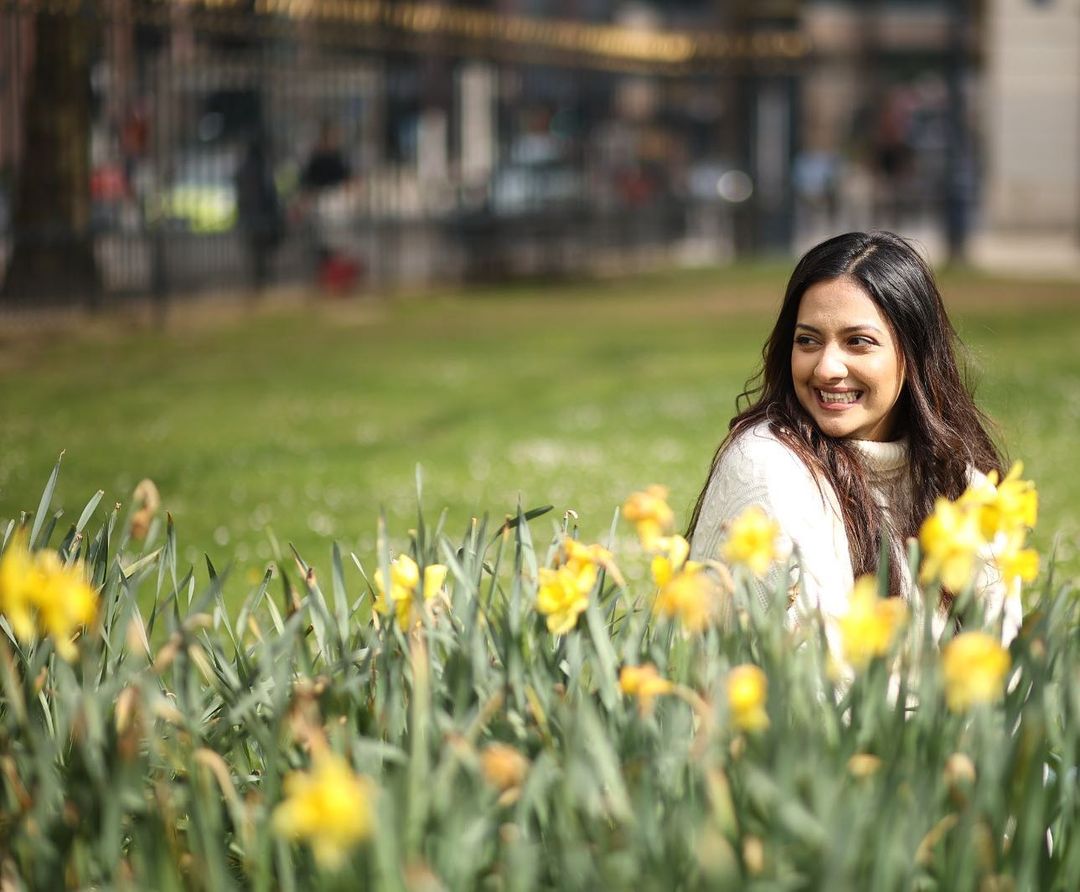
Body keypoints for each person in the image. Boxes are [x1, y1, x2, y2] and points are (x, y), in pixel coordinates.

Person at [686, 230, 1020, 653]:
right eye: (807, 340)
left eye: (857, 342)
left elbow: (1002, 665)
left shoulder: (962, 484)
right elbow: (804, 677)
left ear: (913, 354)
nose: (826, 368)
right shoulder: (768, 468)